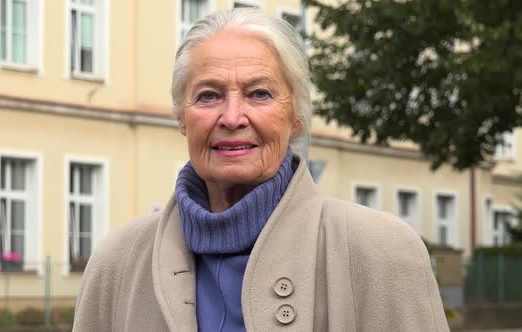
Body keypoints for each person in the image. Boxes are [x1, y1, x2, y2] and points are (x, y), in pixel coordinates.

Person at [73, 9, 449, 332]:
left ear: (296, 117)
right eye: (208, 95)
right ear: (181, 118)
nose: (233, 117)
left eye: (260, 94)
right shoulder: (117, 264)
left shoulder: (380, 252)